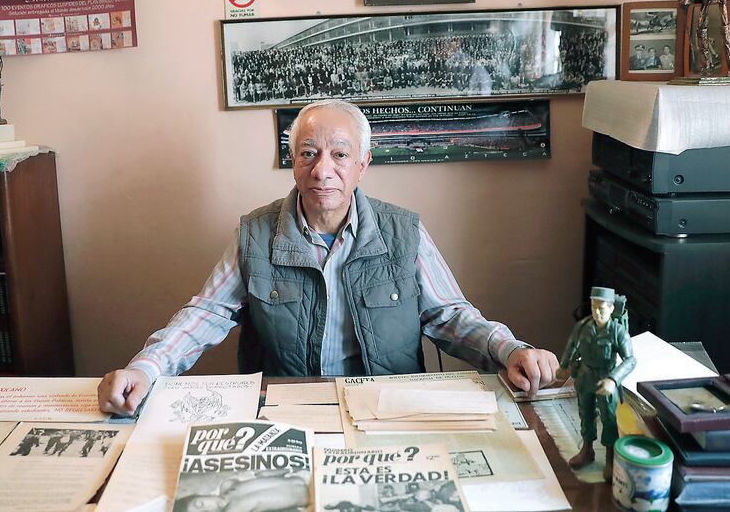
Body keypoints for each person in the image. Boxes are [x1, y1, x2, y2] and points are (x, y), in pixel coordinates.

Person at [98, 100, 560, 415]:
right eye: (308, 153)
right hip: (289, 410)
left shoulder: (404, 232)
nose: (323, 170)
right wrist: (146, 367)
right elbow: (205, 314)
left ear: (363, 163)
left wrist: (509, 349)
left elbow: (451, 316)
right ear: (293, 160)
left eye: (340, 154)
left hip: (387, 409)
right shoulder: (256, 233)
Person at [557, 286, 636, 481]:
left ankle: (610, 457)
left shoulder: (617, 332)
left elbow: (630, 360)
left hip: (606, 379)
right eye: (594, 306)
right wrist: (564, 366)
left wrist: (613, 379)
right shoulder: (584, 326)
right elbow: (572, 345)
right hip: (585, 377)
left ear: (610, 308)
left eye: (602, 308)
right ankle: (587, 450)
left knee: (609, 419)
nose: (597, 312)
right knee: (586, 413)